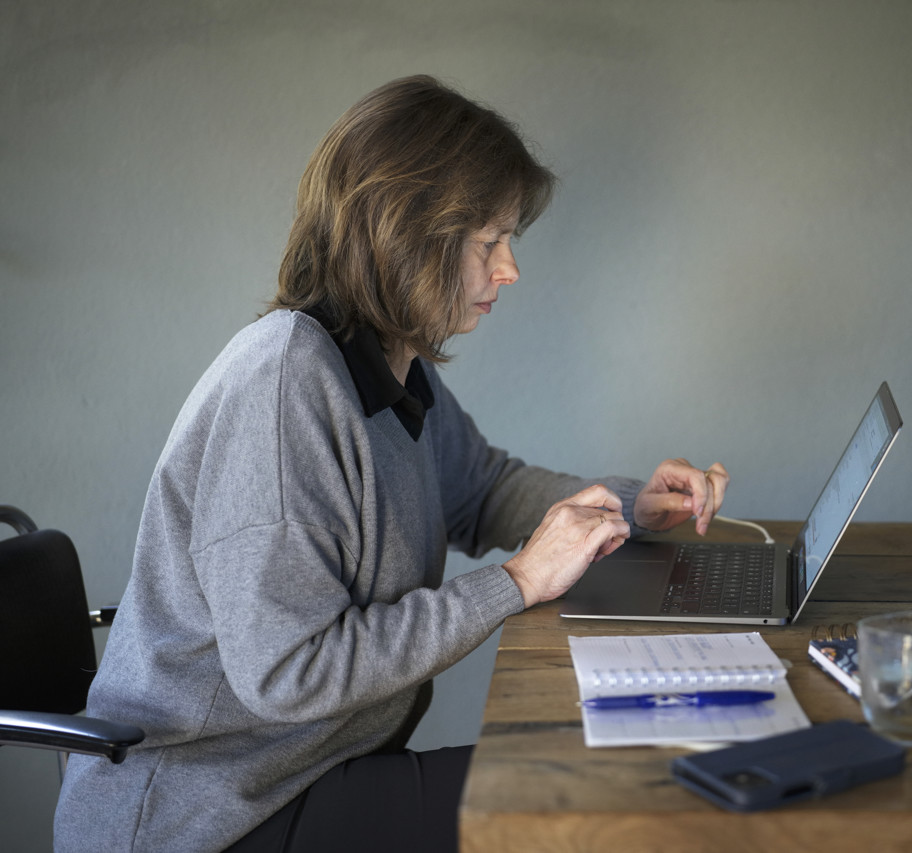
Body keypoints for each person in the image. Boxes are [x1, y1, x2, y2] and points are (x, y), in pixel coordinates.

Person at [53, 75, 729, 853]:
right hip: (205, 811)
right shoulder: (285, 384)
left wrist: (627, 504)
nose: (510, 269)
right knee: (580, 801)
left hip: (301, 768)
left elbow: (484, 490)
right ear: (405, 234)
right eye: (487, 242)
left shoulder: (392, 363)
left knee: (603, 775)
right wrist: (516, 581)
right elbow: (289, 672)